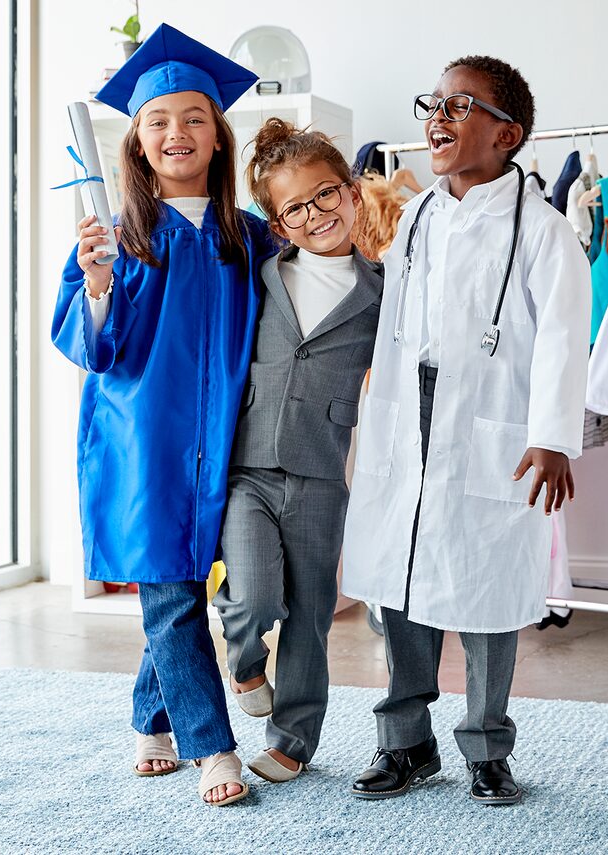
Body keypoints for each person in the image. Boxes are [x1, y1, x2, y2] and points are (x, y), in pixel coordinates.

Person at [341, 56, 591, 805]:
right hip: (404, 410)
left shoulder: (544, 231)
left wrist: (552, 433)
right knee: (400, 578)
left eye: (460, 105)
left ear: (506, 134)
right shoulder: (416, 215)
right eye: (435, 103)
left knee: (484, 586)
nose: (438, 117)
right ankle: (404, 741)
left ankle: (487, 747)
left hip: (491, 415)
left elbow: (561, 337)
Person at [51, 23, 275, 807]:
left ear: (219, 138)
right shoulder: (115, 237)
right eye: (158, 121)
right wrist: (98, 281)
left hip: (227, 438)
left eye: (193, 118)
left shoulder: (249, 238)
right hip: (142, 442)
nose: (176, 132)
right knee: (172, 588)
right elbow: (91, 347)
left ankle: (150, 717)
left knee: (186, 583)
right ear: (138, 145)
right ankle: (212, 747)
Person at [213, 119, 383, 783]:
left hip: (321, 470)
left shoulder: (382, 289)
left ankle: (293, 740)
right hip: (249, 466)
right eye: (295, 207)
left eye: (325, 195)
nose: (315, 214)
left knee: (312, 612)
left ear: (351, 193)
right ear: (278, 222)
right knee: (252, 593)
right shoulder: (260, 277)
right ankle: (246, 658)